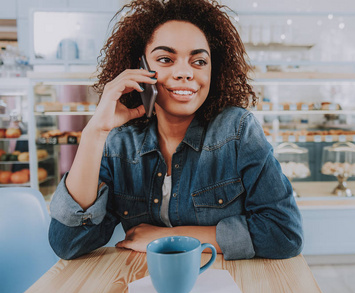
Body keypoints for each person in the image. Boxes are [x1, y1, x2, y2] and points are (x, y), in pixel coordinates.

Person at [49, 0, 304, 260]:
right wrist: (95, 132)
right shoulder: (119, 144)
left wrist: (169, 238)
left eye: (199, 61)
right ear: (141, 68)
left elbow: (284, 234)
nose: (185, 72)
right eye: (165, 59)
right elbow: (68, 243)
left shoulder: (237, 131)